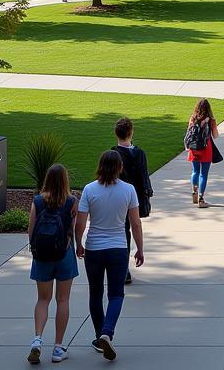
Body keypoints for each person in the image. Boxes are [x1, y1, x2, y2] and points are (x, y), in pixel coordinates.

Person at [76, 151, 143, 361]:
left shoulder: (89, 189)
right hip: (118, 249)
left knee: (95, 294)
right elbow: (135, 223)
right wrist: (140, 248)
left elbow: (80, 222)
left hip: (94, 248)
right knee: (116, 294)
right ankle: (108, 332)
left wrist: (78, 243)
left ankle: (99, 337)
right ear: (119, 167)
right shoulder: (128, 190)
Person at [27, 164, 78, 365]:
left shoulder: (38, 201)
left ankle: (37, 340)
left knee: (42, 299)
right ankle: (58, 347)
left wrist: (35, 249)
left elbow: (31, 230)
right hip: (64, 255)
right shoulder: (72, 202)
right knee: (63, 300)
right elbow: (72, 230)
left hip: (42, 256)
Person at [113, 117, 153, 285]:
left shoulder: (114, 154)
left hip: (119, 198)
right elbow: (144, 177)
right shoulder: (140, 154)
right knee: (129, 229)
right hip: (135, 197)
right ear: (131, 133)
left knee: (123, 232)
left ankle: (123, 270)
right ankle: (124, 269)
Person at [185, 98, 219, 208]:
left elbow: (189, 133)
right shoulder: (211, 120)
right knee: (203, 174)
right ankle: (201, 198)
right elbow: (215, 135)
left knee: (195, 171)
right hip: (206, 148)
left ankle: (194, 191)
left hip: (194, 148)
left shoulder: (193, 118)